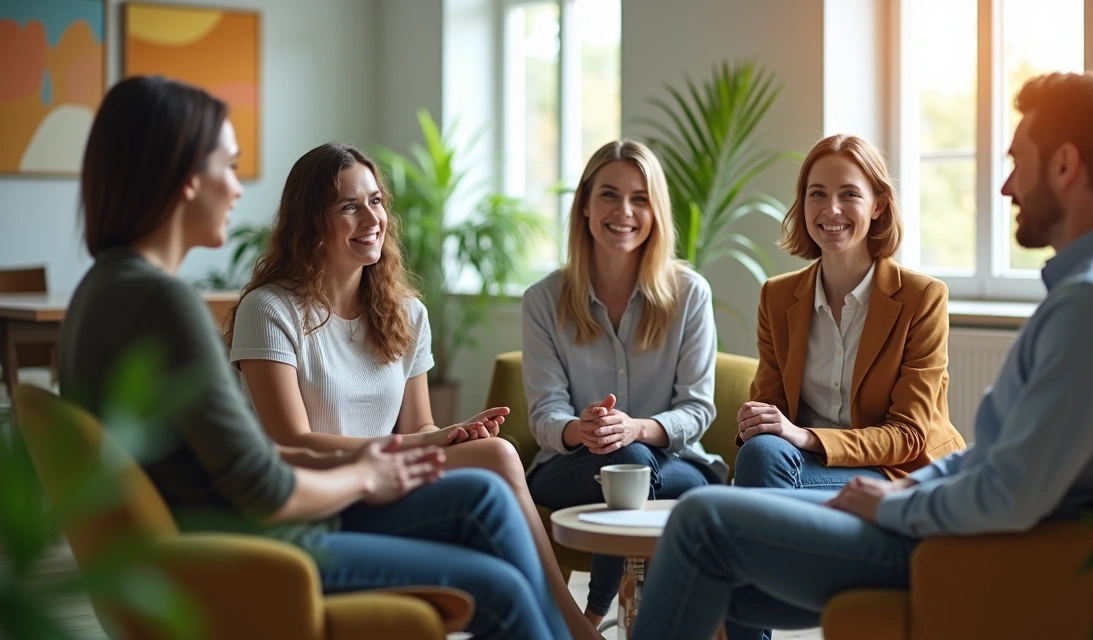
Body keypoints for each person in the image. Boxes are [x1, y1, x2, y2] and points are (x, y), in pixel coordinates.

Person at [631, 71, 1093, 639]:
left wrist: (891, 503)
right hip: (949, 519)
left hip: (967, 552)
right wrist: (900, 491)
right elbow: (1000, 463)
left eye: (1016, 162)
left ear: (1065, 165)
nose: (1005, 187)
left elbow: (1008, 495)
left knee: (702, 521)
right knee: (736, 584)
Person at [58, 76, 571, 640]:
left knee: (485, 491)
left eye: (375, 203)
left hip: (223, 532)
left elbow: (252, 460)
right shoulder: (167, 301)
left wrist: (397, 454)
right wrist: (369, 473)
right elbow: (266, 477)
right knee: (498, 573)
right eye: (228, 167)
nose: (235, 188)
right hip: (256, 545)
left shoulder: (103, 290)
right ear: (183, 178)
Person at [226, 142, 601, 640]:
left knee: (496, 452)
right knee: (496, 479)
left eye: (376, 201)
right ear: (311, 220)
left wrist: (448, 434)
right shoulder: (270, 310)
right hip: (320, 496)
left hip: (390, 483)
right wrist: (419, 445)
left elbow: (418, 426)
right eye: (349, 206)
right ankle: (575, 629)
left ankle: (567, 626)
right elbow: (292, 444)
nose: (371, 217)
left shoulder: (405, 313)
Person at [522, 139, 726, 626]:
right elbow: (544, 413)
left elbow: (698, 408)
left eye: (640, 198)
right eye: (610, 195)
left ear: (655, 211)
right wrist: (582, 430)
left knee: (630, 458)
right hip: (571, 467)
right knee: (622, 460)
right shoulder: (543, 300)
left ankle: (588, 617)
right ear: (586, 205)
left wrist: (636, 429)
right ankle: (628, 618)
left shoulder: (690, 294)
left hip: (677, 464)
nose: (624, 211)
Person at [733, 133, 965, 492]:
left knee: (762, 465)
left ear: (878, 205)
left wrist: (807, 437)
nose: (831, 209)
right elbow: (772, 410)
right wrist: (758, 421)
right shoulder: (777, 297)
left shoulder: (922, 298)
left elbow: (909, 435)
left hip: (894, 472)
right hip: (803, 466)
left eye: (849, 194)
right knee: (761, 452)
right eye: (817, 194)